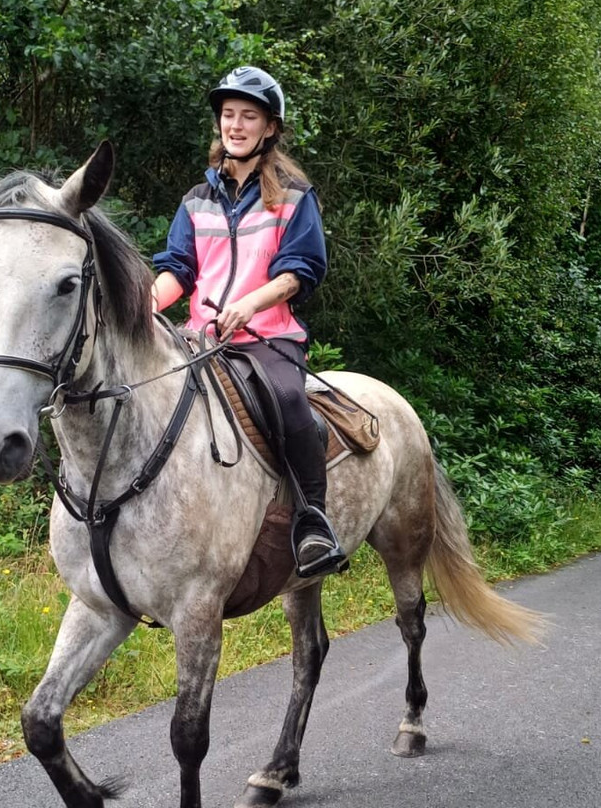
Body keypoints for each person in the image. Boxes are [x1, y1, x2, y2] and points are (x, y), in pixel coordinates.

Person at [150, 66, 345, 578]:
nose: (235, 125)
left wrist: (250, 304)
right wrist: (145, 303)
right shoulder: (197, 199)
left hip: (267, 337)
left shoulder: (295, 196)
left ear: (270, 127)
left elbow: (300, 271)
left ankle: (313, 521)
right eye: (228, 115)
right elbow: (178, 269)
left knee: (289, 401)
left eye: (248, 116)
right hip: (200, 337)